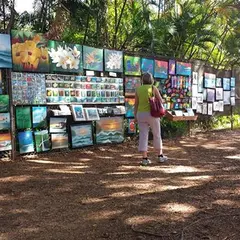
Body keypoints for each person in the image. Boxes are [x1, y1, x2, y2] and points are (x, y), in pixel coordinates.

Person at [134, 72, 167, 166]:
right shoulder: (153, 88)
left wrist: (135, 116)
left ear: (142, 80)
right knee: (157, 134)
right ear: (151, 79)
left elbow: (136, 104)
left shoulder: (138, 89)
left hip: (141, 114)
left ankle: (145, 158)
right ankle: (160, 156)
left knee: (143, 135)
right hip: (153, 114)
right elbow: (161, 101)